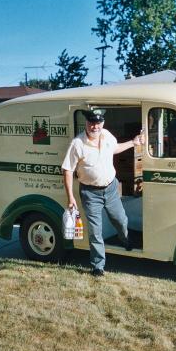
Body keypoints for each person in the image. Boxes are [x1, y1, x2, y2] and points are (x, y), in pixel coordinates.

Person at [61, 109, 144, 277]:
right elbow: (67, 170)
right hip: (90, 193)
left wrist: (133, 142)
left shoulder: (106, 135)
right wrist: (70, 197)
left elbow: (115, 148)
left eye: (98, 123)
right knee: (95, 230)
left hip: (111, 188)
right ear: (86, 123)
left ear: (103, 124)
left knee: (120, 219)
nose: (95, 126)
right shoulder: (77, 143)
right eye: (91, 123)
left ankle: (126, 239)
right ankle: (98, 266)